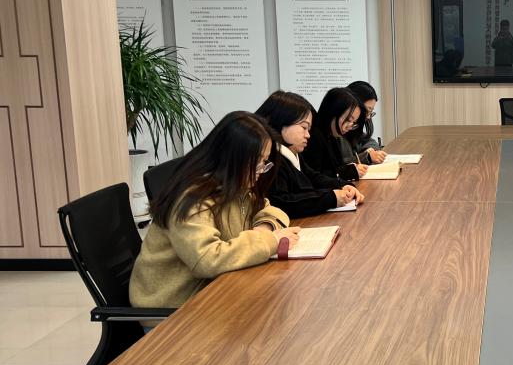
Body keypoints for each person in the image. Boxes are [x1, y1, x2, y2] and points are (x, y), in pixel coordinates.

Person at [129, 111, 302, 314]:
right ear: (232, 159)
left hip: (213, 291)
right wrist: (269, 240)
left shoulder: (235, 184)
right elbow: (207, 260)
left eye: (264, 162)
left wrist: (264, 227)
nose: (261, 170)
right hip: (173, 311)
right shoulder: (192, 198)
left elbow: (269, 209)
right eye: (257, 163)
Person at [255, 90, 364, 218]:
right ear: (281, 122)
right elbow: (281, 202)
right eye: (304, 127)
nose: (308, 135)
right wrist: (331, 197)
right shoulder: (271, 159)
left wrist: (343, 185)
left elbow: (313, 177)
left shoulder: (292, 153)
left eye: (309, 129)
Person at [304, 87, 370, 181]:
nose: (350, 126)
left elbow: (336, 167)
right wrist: (347, 172)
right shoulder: (314, 137)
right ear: (332, 111)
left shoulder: (333, 135)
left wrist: (349, 169)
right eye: (348, 120)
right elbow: (315, 177)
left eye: (354, 122)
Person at [347, 80, 388, 164]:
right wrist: (367, 156)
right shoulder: (341, 129)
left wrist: (369, 150)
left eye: (371, 112)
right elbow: (341, 163)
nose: (368, 117)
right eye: (367, 111)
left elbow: (369, 141)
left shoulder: (354, 128)